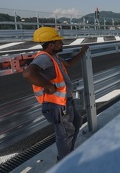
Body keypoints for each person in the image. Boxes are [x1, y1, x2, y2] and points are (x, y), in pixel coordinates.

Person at [23, 27, 89, 162]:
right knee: (64, 133)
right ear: (51, 44)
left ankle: (67, 153)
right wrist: (48, 86)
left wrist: (82, 52)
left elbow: (69, 64)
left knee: (76, 122)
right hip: (56, 104)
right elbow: (28, 73)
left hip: (64, 102)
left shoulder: (54, 57)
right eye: (59, 42)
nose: (62, 44)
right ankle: (64, 161)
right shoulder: (44, 58)